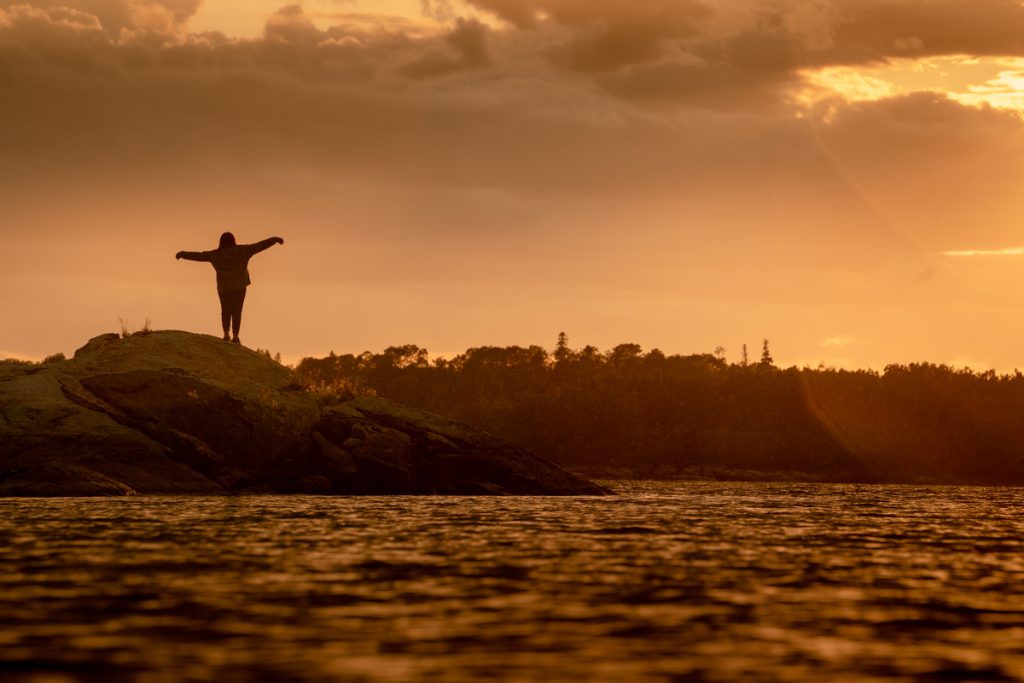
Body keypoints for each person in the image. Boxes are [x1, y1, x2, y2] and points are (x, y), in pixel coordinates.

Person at [176, 232, 284, 344]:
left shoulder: (216, 254)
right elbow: (260, 245)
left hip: (224, 288)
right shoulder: (243, 250)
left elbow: (199, 256)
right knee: (237, 311)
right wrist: (274, 239)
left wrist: (182, 254)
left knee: (225, 310)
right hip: (239, 287)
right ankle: (235, 336)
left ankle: (226, 334)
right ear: (233, 240)